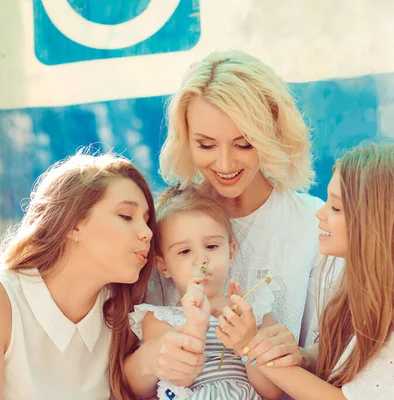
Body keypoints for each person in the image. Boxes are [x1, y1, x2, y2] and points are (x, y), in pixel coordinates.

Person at [124, 49, 336, 396]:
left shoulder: (311, 223)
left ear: (271, 135)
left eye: (243, 143)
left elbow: (338, 352)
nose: (224, 163)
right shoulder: (166, 225)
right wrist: (154, 359)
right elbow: (127, 372)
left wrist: (299, 356)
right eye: (206, 145)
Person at [242, 144, 394, 399]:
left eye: (335, 208)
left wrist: (249, 346)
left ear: (377, 222)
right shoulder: (366, 288)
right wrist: (301, 358)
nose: (320, 213)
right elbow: (348, 363)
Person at [0, 151, 157, 400]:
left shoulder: (122, 312)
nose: (146, 233)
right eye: (126, 216)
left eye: (146, 221)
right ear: (73, 223)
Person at [127, 185, 283, 399]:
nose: (202, 260)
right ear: (163, 266)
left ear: (230, 252)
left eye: (211, 246)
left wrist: (247, 340)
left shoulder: (255, 312)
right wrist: (196, 327)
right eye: (184, 251)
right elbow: (180, 379)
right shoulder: (160, 320)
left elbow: (272, 392)